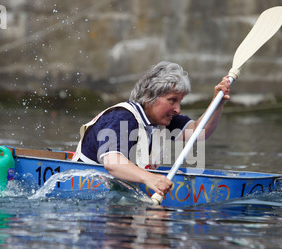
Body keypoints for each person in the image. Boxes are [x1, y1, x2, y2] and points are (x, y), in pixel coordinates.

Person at [72, 61, 230, 196]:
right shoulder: (121, 117)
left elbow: (199, 132)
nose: (178, 109)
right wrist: (150, 178)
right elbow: (112, 163)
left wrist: (217, 103)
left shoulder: (162, 120)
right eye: (172, 100)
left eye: (179, 101)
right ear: (149, 96)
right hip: (86, 197)